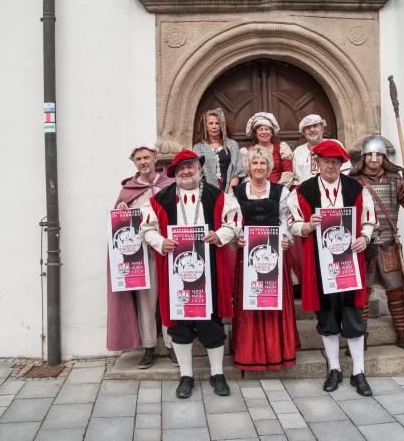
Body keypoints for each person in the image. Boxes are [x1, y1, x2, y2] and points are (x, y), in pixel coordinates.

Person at [140, 150, 241, 399]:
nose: (186, 171)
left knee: (211, 321)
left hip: (210, 270)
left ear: (199, 168)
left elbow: (234, 221)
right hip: (175, 272)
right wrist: (159, 241)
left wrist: (220, 235)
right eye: (181, 168)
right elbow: (145, 228)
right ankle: (186, 375)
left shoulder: (219, 196)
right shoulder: (158, 200)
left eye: (191, 166)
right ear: (174, 173)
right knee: (179, 324)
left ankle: (217, 374)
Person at [287, 140, 376, 396]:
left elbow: (368, 219)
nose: (330, 166)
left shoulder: (356, 188)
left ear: (341, 164)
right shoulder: (303, 191)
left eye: (335, 162)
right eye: (325, 162)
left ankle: (359, 372)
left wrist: (365, 237)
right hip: (318, 262)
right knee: (327, 316)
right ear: (317, 163)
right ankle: (334, 369)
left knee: (353, 315)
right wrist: (307, 226)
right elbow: (292, 223)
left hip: (349, 262)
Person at [349, 135, 404, 352]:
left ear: (384, 157)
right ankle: (360, 336)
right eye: (370, 154)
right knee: (361, 293)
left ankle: (402, 334)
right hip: (362, 245)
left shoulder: (396, 181)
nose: (374, 158)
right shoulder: (352, 182)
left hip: (388, 245)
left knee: (396, 291)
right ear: (363, 157)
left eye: (378, 154)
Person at [107, 143, 177, 369]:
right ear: (134, 163)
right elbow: (120, 222)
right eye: (138, 159)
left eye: (147, 157)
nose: (143, 162)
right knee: (146, 302)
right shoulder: (128, 190)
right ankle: (148, 349)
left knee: (170, 299)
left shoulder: (171, 184)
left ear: (155, 158)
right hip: (142, 254)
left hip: (168, 250)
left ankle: (172, 346)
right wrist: (123, 211)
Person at [231, 147, 300, 370]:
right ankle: (250, 353)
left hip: (274, 255)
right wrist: (239, 238)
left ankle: (278, 351)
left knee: (274, 300)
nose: (259, 167)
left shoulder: (281, 192)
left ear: (269, 166)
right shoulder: (237, 193)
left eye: (262, 163)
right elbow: (233, 221)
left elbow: (286, 220)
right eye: (254, 163)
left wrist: (285, 238)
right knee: (251, 301)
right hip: (248, 256)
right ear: (248, 167)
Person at [193, 108, 245, 193]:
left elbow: (238, 170)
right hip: (205, 192)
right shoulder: (198, 148)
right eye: (211, 123)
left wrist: (230, 192)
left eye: (217, 123)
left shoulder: (232, 145)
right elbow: (196, 173)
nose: (214, 127)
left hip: (229, 190)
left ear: (222, 126)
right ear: (205, 126)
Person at [292, 114, 351, 187]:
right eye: (308, 127)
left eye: (315, 126)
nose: (312, 130)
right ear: (303, 132)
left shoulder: (334, 144)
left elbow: (346, 171)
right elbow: (295, 179)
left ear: (322, 129)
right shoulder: (298, 151)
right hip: (305, 194)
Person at [242, 112, 294, 188]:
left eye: (267, 129)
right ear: (256, 134)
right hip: (255, 192)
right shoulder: (248, 151)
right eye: (260, 129)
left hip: (278, 191)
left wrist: (277, 191)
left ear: (271, 132)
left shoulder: (281, 149)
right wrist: (257, 190)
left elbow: (288, 172)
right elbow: (247, 175)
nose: (264, 132)